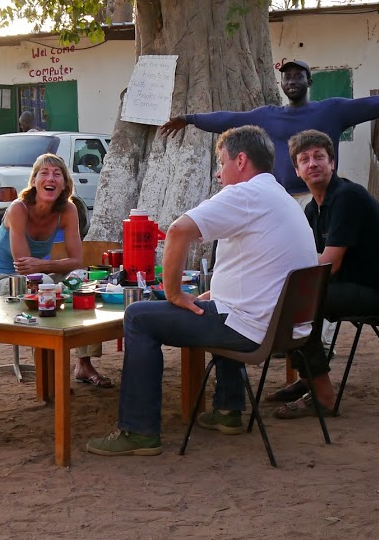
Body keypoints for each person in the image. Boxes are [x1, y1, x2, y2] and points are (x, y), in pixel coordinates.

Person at [87, 125, 318, 456]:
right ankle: (227, 409)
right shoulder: (282, 198)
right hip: (285, 330)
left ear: (241, 161)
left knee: (138, 316)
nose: (218, 173)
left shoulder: (245, 194)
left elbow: (178, 231)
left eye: (222, 162)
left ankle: (138, 431)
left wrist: (173, 294)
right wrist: (214, 293)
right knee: (216, 305)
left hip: (252, 329)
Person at [268, 130, 379, 419]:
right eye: (304, 159)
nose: (313, 163)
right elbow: (307, 258)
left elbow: (329, 266)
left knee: (301, 304)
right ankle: (308, 380)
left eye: (319, 157)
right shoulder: (313, 209)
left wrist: (282, 277)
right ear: (297, 170)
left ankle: (323, 397)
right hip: (360, 285)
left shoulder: (348, 197)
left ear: (332, 163)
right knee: (296, 298)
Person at [159, 58, 379, 194]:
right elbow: (229, 119)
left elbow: (372, 105)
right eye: (287, 77)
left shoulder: (331, 110)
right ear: (281, 85)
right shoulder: (267, 116)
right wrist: (190, 119)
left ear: (309, 82)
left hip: (321, 197)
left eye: (298, 76)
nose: (292, 81)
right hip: (282, 199)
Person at [0, 153, 113, 387]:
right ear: (34, 181)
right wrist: (44, 269)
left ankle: (84, 363)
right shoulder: (18, 209)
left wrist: (44, 265)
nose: (51, 178)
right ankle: (47, 375)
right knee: (44, 285)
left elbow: (76, 261)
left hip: (40, 276)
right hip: (5, 280)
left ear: (65, 184)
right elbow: (23, 266)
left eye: (57, 174)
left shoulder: (68, 210)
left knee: (82, 282)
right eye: (44, 173)